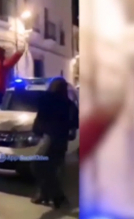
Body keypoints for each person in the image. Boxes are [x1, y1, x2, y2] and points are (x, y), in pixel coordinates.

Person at [30, 77, 79, 209]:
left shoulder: (46, 99)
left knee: (38, 165)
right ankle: (46, 196)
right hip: (61, 141)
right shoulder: (69, 104)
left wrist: (36, 131)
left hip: (49, 138)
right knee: (51, 169)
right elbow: (74, 123)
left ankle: (57, 196)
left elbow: (40, 117)